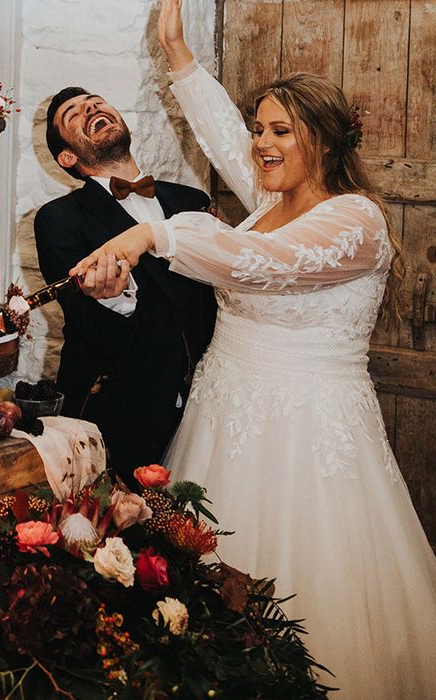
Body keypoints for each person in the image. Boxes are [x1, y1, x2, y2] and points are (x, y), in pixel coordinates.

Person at [71, 0, 436, 697]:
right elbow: (220, 135)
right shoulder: (272, 199)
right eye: (259, 129)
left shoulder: (356, 221)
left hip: (308, 438)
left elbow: (256, 261)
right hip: (221, 420)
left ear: (323, 143)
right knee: (198, 599)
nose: (261, 144)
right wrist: (179, 55)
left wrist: (154, 235)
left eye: (280, 132)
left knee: (305, 607)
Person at [34, 85, 216, 487]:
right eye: (73, 115)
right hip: (120, 413)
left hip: (206, 413)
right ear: (68, 158)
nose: (91, 107)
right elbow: (90, 329)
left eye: (96, 101)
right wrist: (118, 300)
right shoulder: (58, 220)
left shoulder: (192, 201)